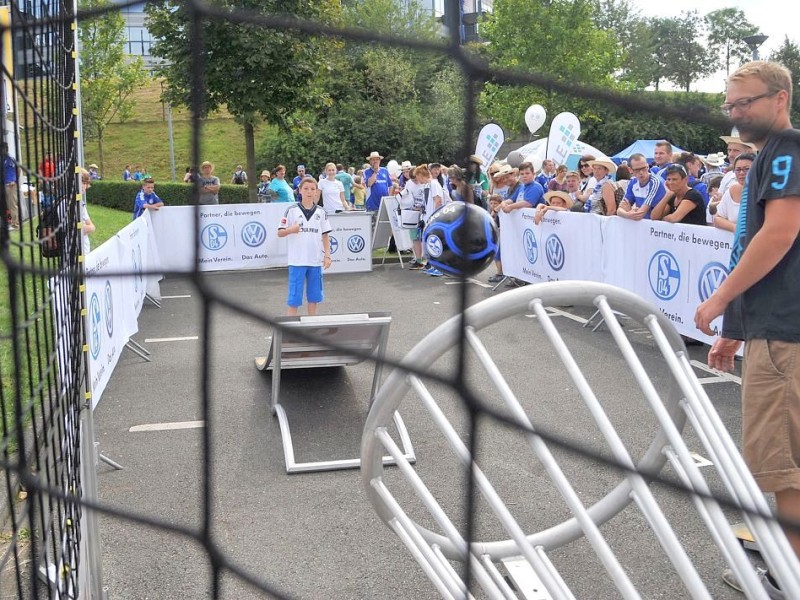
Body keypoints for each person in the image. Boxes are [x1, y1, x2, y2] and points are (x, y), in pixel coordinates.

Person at [694, 60, 800, 598]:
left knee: (781, 466)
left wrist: (720, 298)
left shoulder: (786, 151)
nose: (735, 115)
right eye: (729, 106)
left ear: (779, 98)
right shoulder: (771, 156)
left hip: (786, 335)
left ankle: (789, 578)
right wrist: (736, 326)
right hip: (776, 326)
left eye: (745, 103)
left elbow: (779, 235)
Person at [277, 176, 332, 317]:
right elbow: (280, 232)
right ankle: (291, 330)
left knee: (313, 298)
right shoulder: (292, 210)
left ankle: (311, 327)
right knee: (294, 299)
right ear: (300, 190)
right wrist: (291, 230)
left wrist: (327, 256)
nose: (309, 192)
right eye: (306, 189)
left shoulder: (321, 212)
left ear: (316, 192)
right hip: (297, 261)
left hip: (315, 261)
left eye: (312, 189)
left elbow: (325, 235)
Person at [616, 153, 667, 220]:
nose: (641, 172)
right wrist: (627, 214)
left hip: (657, 226)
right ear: (630, 170)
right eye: (637, 170)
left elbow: (641, 214)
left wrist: (629, 212)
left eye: (644, 168)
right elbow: (619, 210)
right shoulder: (632, 182)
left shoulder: (655, 181)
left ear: (647, 166)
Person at [713, 153, 755, 232]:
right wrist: (735, 228)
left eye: (747, 169)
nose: (742, 173)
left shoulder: (764, 191)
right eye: (738, 169)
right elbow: (717, 219)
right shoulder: (731, 190)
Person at [487, 193, 505, 283]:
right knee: (496, 255)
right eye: (491, 203)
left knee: (499, 254)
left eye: (495, 203)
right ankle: (500, 272)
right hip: (495, 236)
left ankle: (500, 273)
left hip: (501, 236)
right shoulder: (491, 213)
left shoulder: (500, 213)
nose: (493, 205)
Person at [79, 168, 96, 252]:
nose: (85, 186)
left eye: (85, 183)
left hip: (84, 249)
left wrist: (85, 227)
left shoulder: (80, 203)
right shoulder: (65, 203)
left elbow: (92, 226)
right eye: (84, 183)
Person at [3, 143, 18, 230]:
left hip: (10, 184)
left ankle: (15, 224)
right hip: (5, 184)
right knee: (8, 205)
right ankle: (12, 222)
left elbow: (17, 169)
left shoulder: (10, 159)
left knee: (12, 204)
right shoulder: (4, 159)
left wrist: (14, 180)